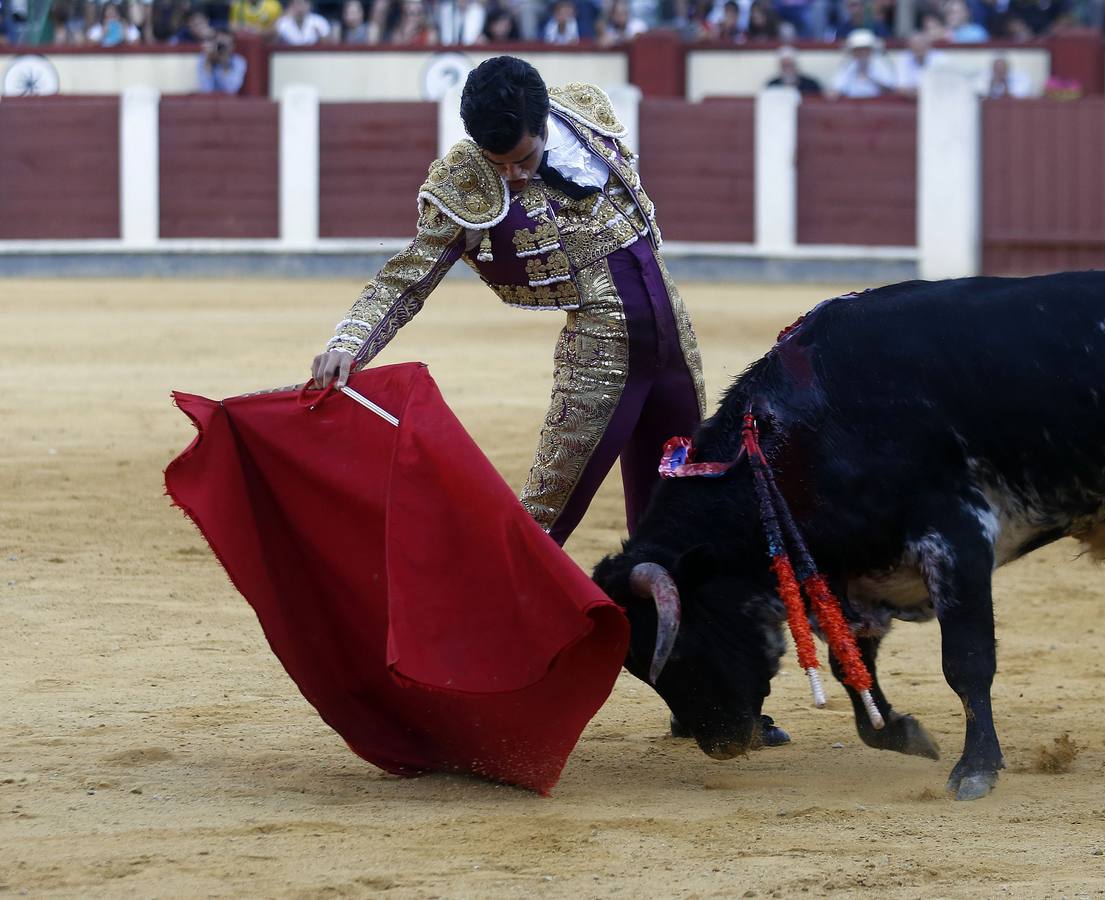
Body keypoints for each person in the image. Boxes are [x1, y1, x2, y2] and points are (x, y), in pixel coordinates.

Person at [308, 57, 790, 748]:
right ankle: (459, 692)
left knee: (694, 531)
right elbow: (407, 277)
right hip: (600, 356)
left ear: (543, 122)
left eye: (523, 158)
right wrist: (349, 342)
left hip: (673, 343)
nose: (511, 175)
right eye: (497, 162)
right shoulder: (463, 180)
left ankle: (716, 700)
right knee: (540, 525)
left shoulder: (585, 111)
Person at [828, 28, 896, 98]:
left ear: (870, 50)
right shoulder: (848, 65)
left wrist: (871, 77)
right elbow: (835, 89)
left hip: (877, 105)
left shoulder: (880, 64)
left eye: (865, 49)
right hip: (852, 105)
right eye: (858, 50)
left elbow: (891, 88)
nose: (862, 52)